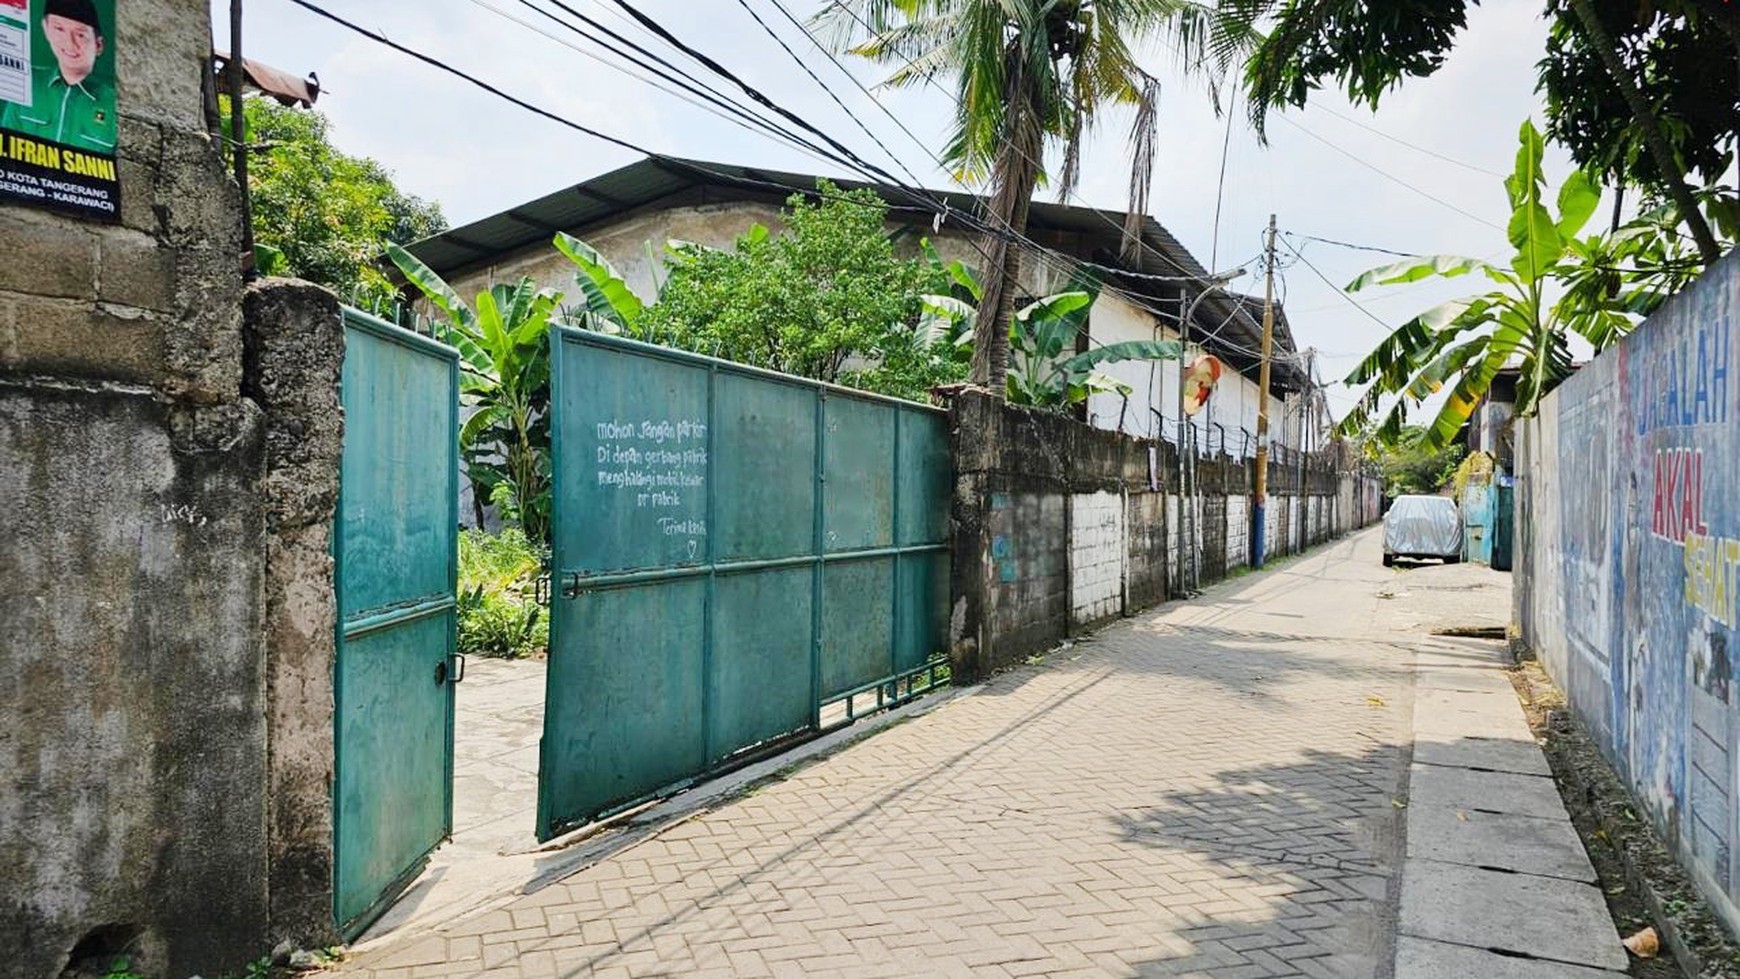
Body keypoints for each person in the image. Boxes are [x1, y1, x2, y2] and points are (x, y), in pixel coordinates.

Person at [0, 0, 115, 152]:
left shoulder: (116, 103)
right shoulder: (27, 83)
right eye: (59, 29)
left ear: (98, 45)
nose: (69, 43)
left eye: (80, 34)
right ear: (46, 29)